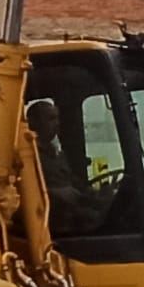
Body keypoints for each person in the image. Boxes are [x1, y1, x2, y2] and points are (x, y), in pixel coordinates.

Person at [26, 99, 117, 239]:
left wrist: (95, 193)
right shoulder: (29, 156)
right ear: (34, 123)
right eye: (51, 119)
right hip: (55, 220)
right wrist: (61, 193)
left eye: (57, 118)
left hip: (70, 210)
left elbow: (74, 182)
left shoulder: (56, 153)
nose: (57, 123)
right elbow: (30, 191)